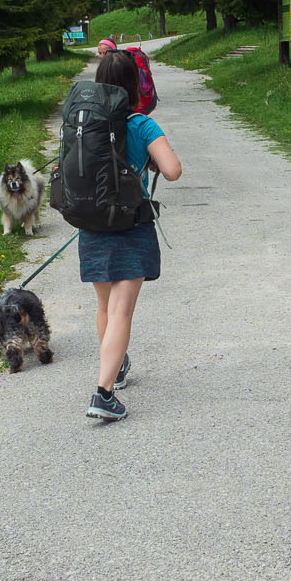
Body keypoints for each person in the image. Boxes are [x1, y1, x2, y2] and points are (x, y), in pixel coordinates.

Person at [81, 48, 182, 421]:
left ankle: (115, 367)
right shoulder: (140, 124)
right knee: (122, 310)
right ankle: (103, 393)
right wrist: (150, 157)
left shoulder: (85, 126)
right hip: (130, 225)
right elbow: (172, 171)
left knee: (106, 307)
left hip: (92, 226)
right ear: (132, 86)